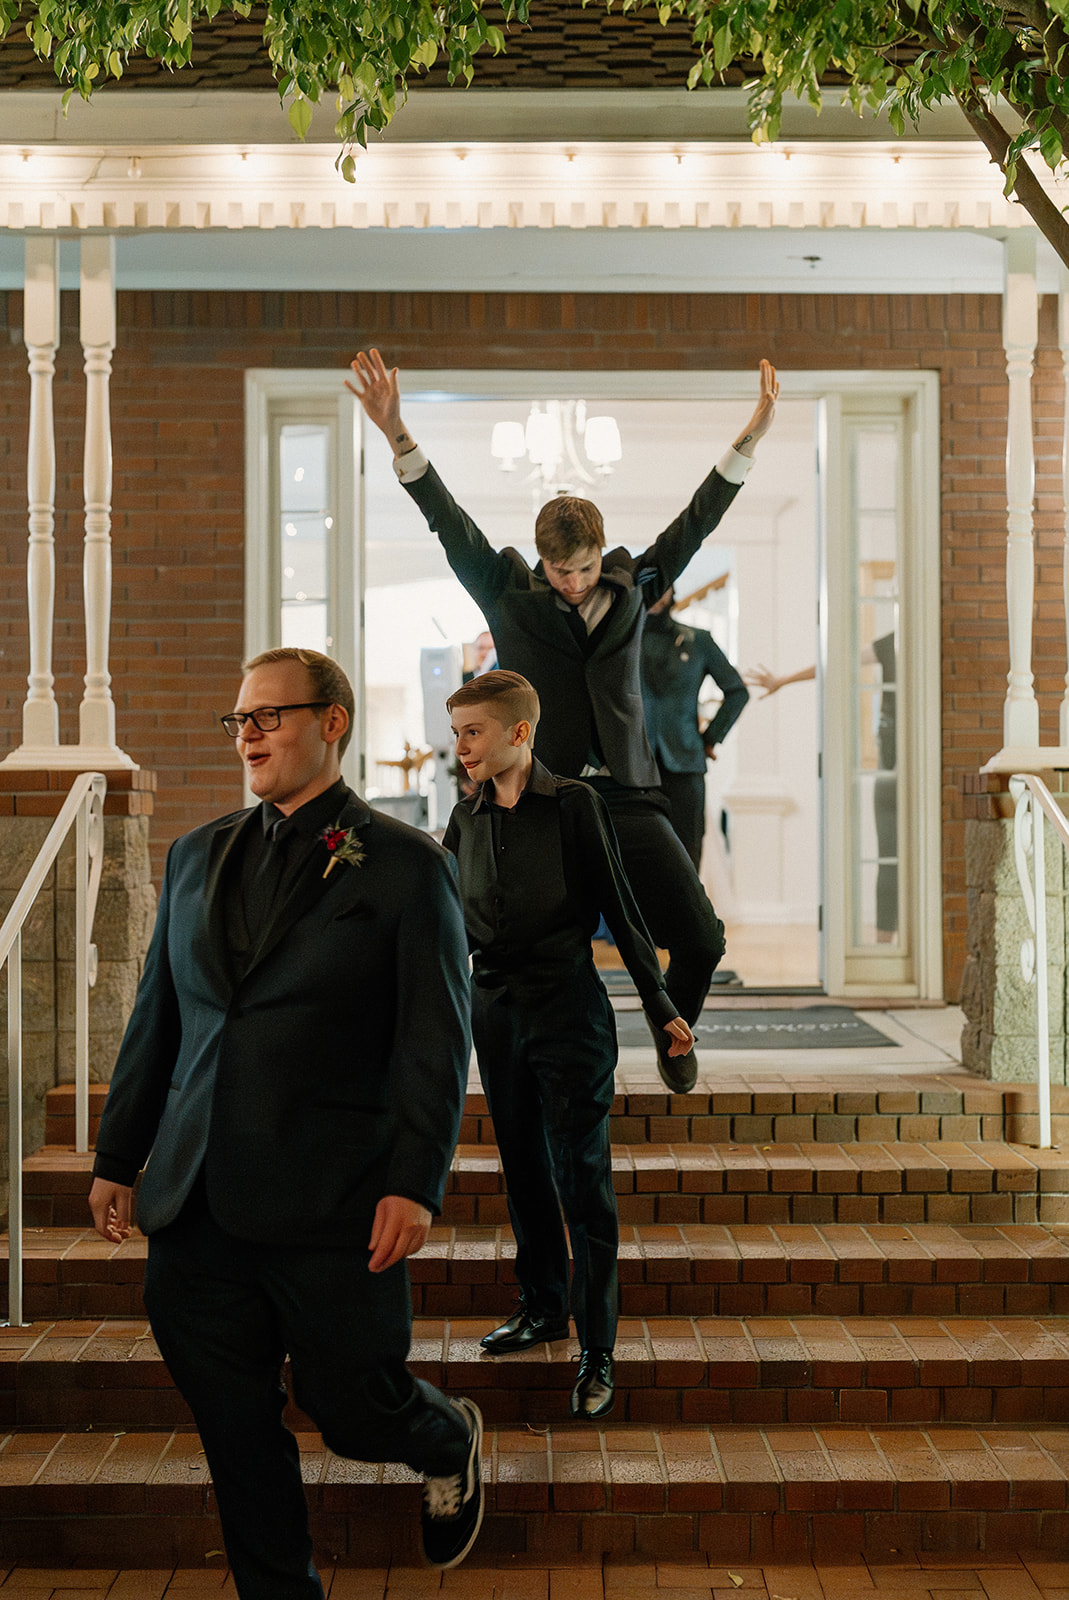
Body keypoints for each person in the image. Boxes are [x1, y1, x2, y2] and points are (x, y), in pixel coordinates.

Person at [87, 646, 483, 1592]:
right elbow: (161, 1018)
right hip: (195, 1201)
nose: (248, 735)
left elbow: (436, 1042)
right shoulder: (194, 855)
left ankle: (443, 1437)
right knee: (234, 1430)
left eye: (269, 716)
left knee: (355, 1411)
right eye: (239, 720)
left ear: (332, 722)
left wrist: (412, 1181)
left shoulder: (404, 867)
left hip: (334, 1197)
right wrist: (119, 1151)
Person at [347, 349, 778, 1094]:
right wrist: (397, 434)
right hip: (539, 802)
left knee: (701, 941)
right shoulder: (508, 592)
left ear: (597, 554)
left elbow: (698, 520)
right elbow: (447, 522)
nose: (571, 585)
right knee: (544, 958)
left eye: (580, 570)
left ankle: (673, 1031)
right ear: (542, 561)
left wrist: (751, 436)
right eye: (559, 572)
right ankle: (549, 1070)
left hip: (628, 797)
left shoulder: (637, 584)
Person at [441, 670, 694, 1419]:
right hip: (496, 1012)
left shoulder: (576, 805)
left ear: (519, 733)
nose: (460, 747)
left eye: (473, 732)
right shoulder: (465, 817)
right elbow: (452, 926)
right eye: (455, 733)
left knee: (580, 1179)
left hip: (569, 1014)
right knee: (521, 1167)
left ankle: (598, 1348)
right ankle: (543, 1308)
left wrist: (661, 1006)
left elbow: (619, 904)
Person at [640, 585, 749, 870]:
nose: (653, 594)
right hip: (633, 766)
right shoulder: (620, 641)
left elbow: (737, 691)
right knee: (636, 862)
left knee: (687, 857)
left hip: (686, 763)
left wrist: (711, 738)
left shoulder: (699, 640)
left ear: (672, 591)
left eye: (660, 587)